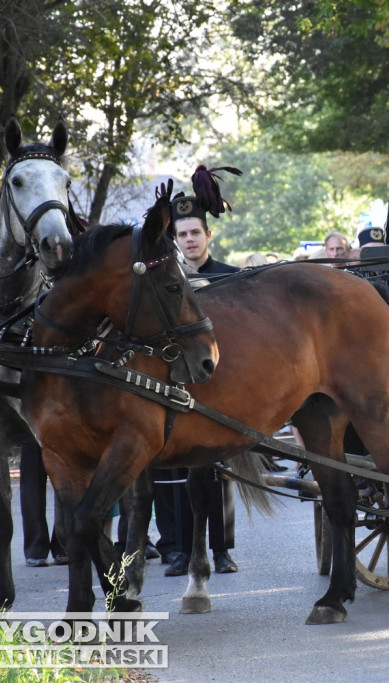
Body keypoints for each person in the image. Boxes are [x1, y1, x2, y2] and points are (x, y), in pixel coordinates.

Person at [163, 168, 242, 575]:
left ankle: (222, 549)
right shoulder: (166, 284)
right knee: (176, 469)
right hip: (175, 383)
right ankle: (177, 549)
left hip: (221, 381)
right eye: (183, 235)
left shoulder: (231, 278)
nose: (190, 240)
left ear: (208, 236)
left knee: (220, 467)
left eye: (196, 232)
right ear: (175, 240)